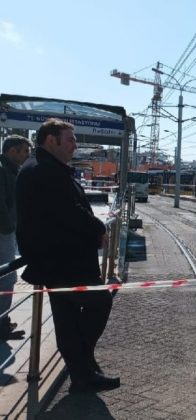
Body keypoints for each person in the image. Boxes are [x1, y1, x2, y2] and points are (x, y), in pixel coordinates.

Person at [16, 118, 119, 392]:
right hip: (62, 261)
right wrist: (98, 227)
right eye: (70, 139)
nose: (75, 145)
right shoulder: (42, 170)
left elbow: (69, 208)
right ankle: (82, 364)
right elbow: (69, 212)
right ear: (52, 140)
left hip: (60, 259)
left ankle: (82, 372)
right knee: (98, 303)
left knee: (68, 318)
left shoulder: (45, 167)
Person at [0, 135, 31, 340]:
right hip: (3, 233)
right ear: (12, 151)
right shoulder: (3, 171)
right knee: (7, 277)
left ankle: (3, 320)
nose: (27, 156)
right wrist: (10, 226)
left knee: (7, 277)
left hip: (7, 231)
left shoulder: (10, 170)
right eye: (24, 151)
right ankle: (1, 325)